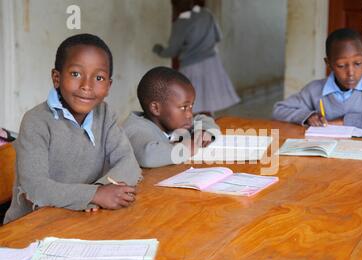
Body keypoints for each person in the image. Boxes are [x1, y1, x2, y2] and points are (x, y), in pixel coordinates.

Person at [4, 34, 142, 224]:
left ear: (109, 86)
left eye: (99, 77)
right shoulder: (36, 121)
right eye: (76, 74)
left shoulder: (105, 114)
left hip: (80, 217)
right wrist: (94, 195)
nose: (86, 86)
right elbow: (34, 188)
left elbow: (129, 163)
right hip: (31, 226)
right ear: (57, 78)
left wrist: (99, 192)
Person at [273, 28, 362, 132]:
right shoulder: (315, 90)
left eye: (357, 63)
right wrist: (307, 117)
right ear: (328, 64)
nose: (351, 73)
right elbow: (279, 110)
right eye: (341, 65)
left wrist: (344, 121)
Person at [153, 0, 240, 116]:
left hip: (191, 66)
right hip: (212, 63)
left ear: (175, 6)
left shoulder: (181, 22)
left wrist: (159, 50)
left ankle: (196, 131)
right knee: (209, 101)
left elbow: (172, 50)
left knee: (191, 104)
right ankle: (210, 127)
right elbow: (218, 36)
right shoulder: (206, 14)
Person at [123, 66, 220, 168]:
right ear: (156, 108)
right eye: (184, 107)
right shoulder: (135, 129)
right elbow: (148, 157)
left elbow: (203, 119)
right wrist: (185, 149)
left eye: (191, 106)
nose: (189, 114)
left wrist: (204, 131)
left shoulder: (175, 122)